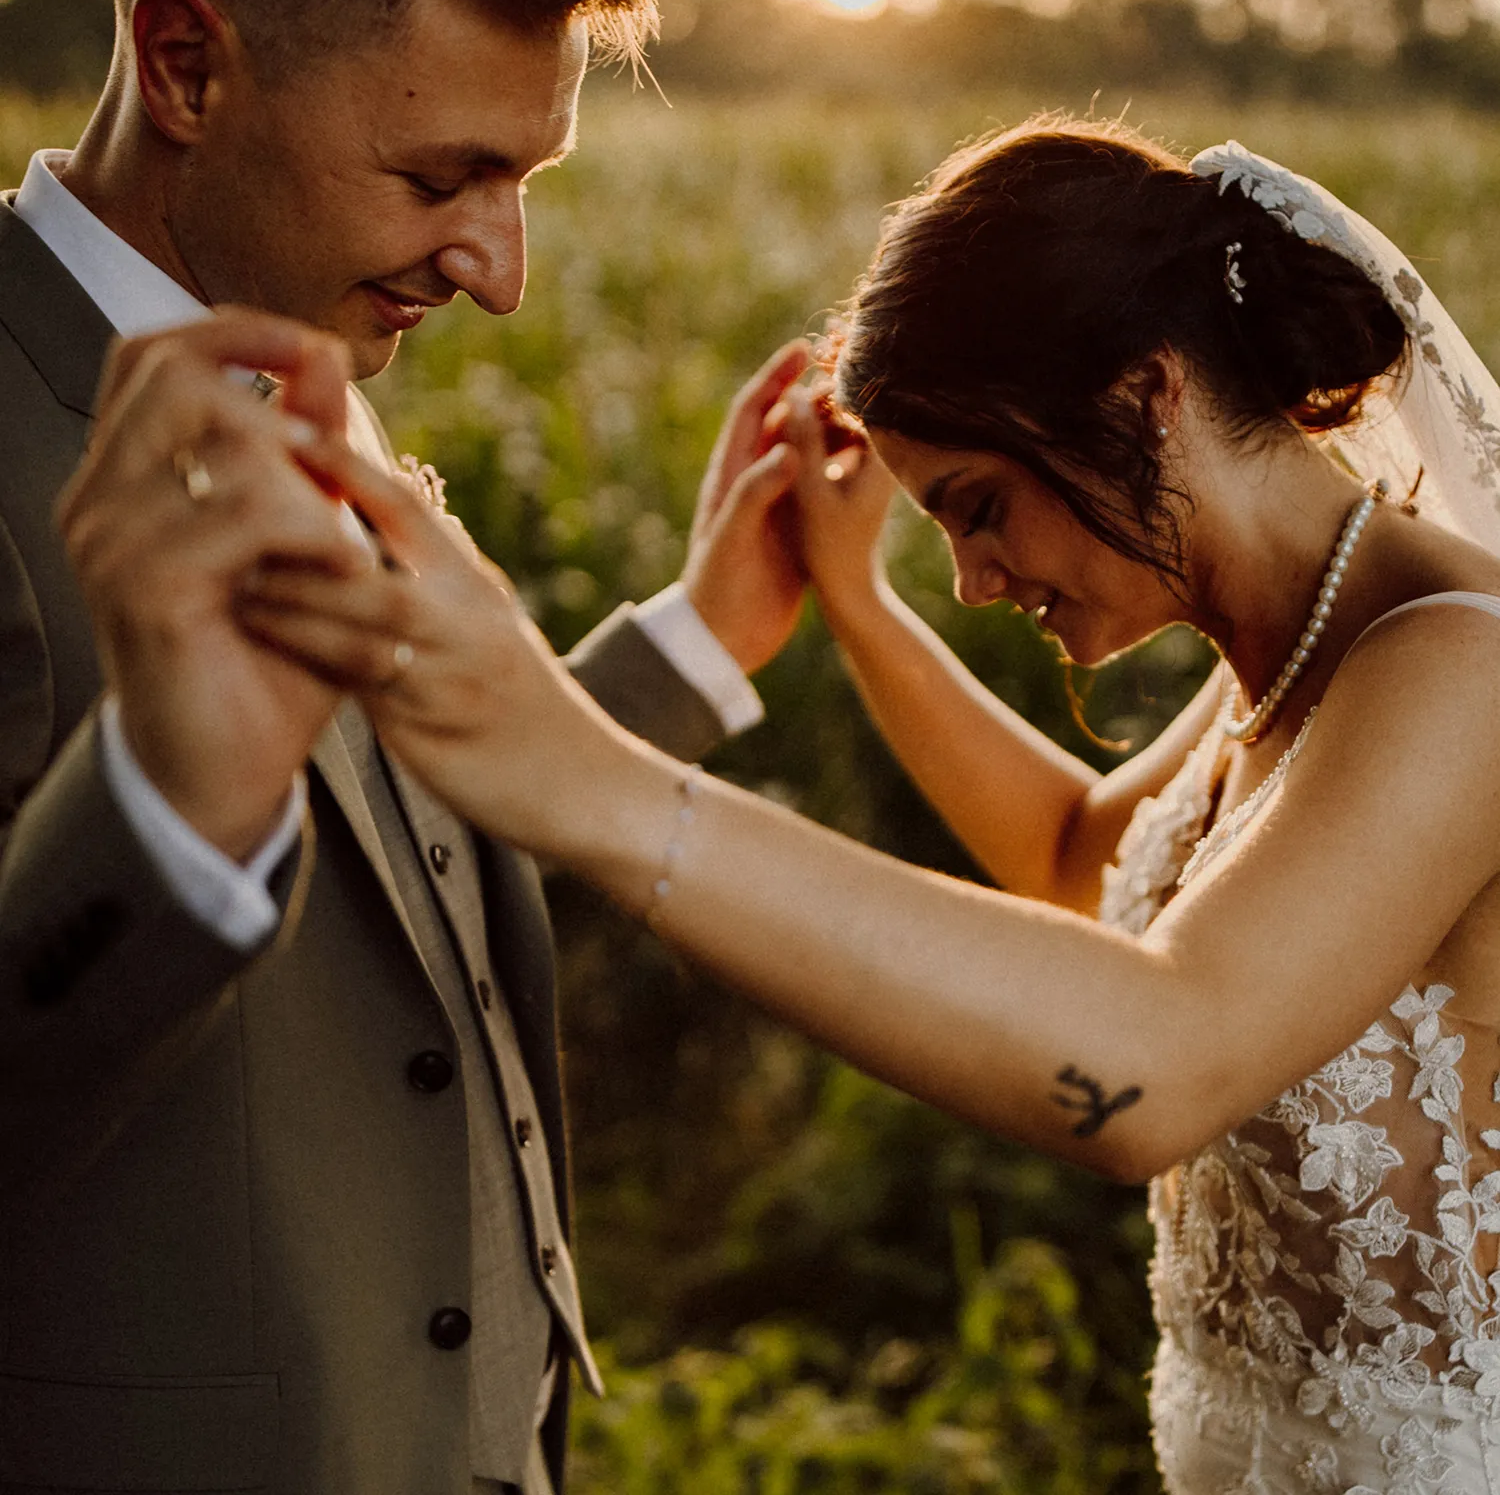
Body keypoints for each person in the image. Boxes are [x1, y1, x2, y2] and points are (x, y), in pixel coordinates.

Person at [239, 117, 1500, 1489]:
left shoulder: (1460, 670)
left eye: (979, 505)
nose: (974, 577)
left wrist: (594, 782)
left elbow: (1160, 1062)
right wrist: (855, 602)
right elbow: (1088, 863)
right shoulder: (1298, 640)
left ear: (1146, 394)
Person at [0, 0, 811, 1495]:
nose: (501, 273)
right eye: (443, 175)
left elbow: (410, 845)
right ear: (188, 63)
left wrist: (691, 642)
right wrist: (161, 813)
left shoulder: (308, 375)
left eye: (523, 180)